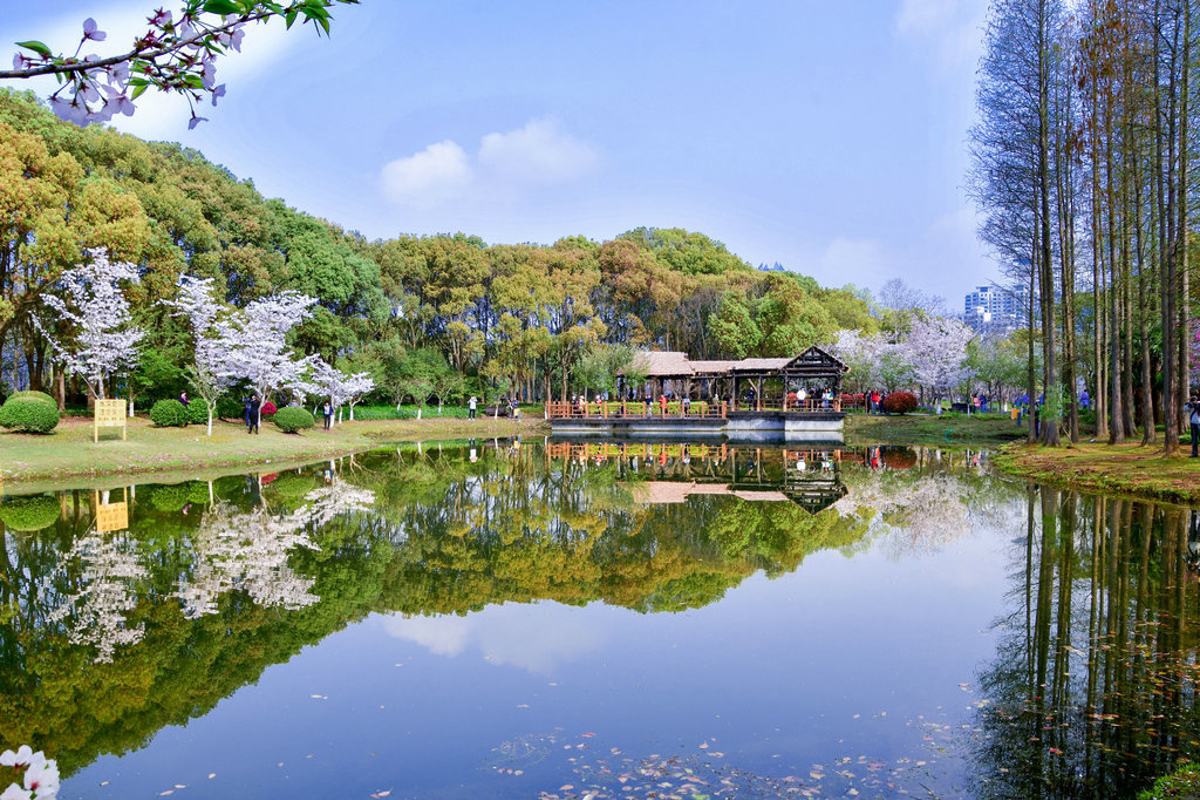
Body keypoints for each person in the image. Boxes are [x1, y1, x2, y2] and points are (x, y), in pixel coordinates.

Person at [1187, 391, 1200, 458]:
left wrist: (1196, 403)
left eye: (1195, 397)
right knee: (1194, 440)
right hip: (1193, 424)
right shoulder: (1190, 405)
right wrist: (1190, 402)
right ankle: (1195, 453)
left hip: (1199, 424)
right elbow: (1184, 409)